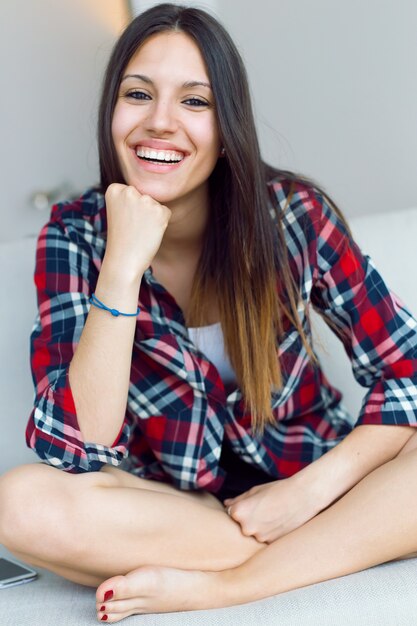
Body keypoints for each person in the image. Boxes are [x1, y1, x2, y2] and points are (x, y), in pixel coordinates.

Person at [1, 2, 417, 621]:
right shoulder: (74, 238)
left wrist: (309, 493)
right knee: (21, 503)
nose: (160, 122)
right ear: (111, 114)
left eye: (194, 102)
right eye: (138, 94)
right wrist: (121, 267)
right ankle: (342, 545)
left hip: (310, 479)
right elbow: (74, 447)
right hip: (175, 510)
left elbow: (406, 372)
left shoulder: (293, 217)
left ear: (228, 129)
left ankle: (231, 583)